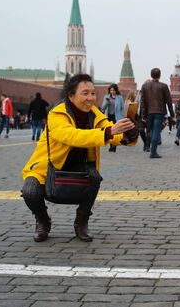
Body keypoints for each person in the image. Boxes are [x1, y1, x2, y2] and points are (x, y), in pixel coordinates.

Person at [21, 74, 137, 242]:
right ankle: (42, 220)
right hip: (49, 166)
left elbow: (110, 132)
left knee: (95, 178)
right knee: (30, 190)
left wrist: (129, 133)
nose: (90, 98)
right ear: (71, 95)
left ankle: (81, 221)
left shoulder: (95, 114)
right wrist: (110, 132)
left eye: (93, 93)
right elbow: (71, 136)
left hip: (82, 165)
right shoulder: (57, 114)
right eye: (85, 93)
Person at [140, 68, 175, 158]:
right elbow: (169, 102)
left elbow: (142, 102)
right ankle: (153, 152)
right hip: (159, 112)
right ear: (159, 75)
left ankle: (150, 147)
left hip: (148, 112)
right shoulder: (163, 86)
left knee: (150, 131)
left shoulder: (145, 86)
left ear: (151, 75)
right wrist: (172, 114)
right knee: (156, 131)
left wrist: (143, 115)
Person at [101, 84, 125, 152]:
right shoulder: (106, 97)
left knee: (116, 131)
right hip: (108, 116)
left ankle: (114, 145)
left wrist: (123, 117)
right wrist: (107, 102)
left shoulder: (119, 97)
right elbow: (103, 108)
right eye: (111, 90)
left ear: (116, 90)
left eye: (113, 90)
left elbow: (122, 108)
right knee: (110, 131)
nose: (112, 91)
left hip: (117, 117)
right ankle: (111, 145)